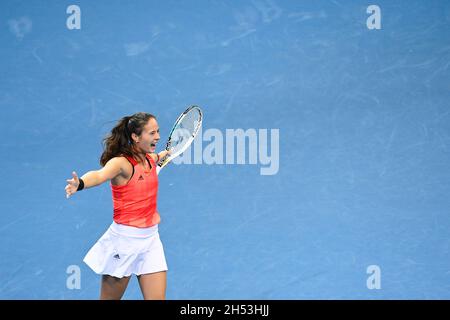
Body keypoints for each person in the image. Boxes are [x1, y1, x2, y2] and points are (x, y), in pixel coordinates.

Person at [65, 112, 170, 300]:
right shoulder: (121, 163)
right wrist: (79, 183)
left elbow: (157, 158)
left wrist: (164, 155)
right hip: (124, 243)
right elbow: (99, 175)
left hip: (151, 241)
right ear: (136, 137)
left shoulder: (150, 159)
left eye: (158, 131)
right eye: (152, 133)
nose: (158, 137)